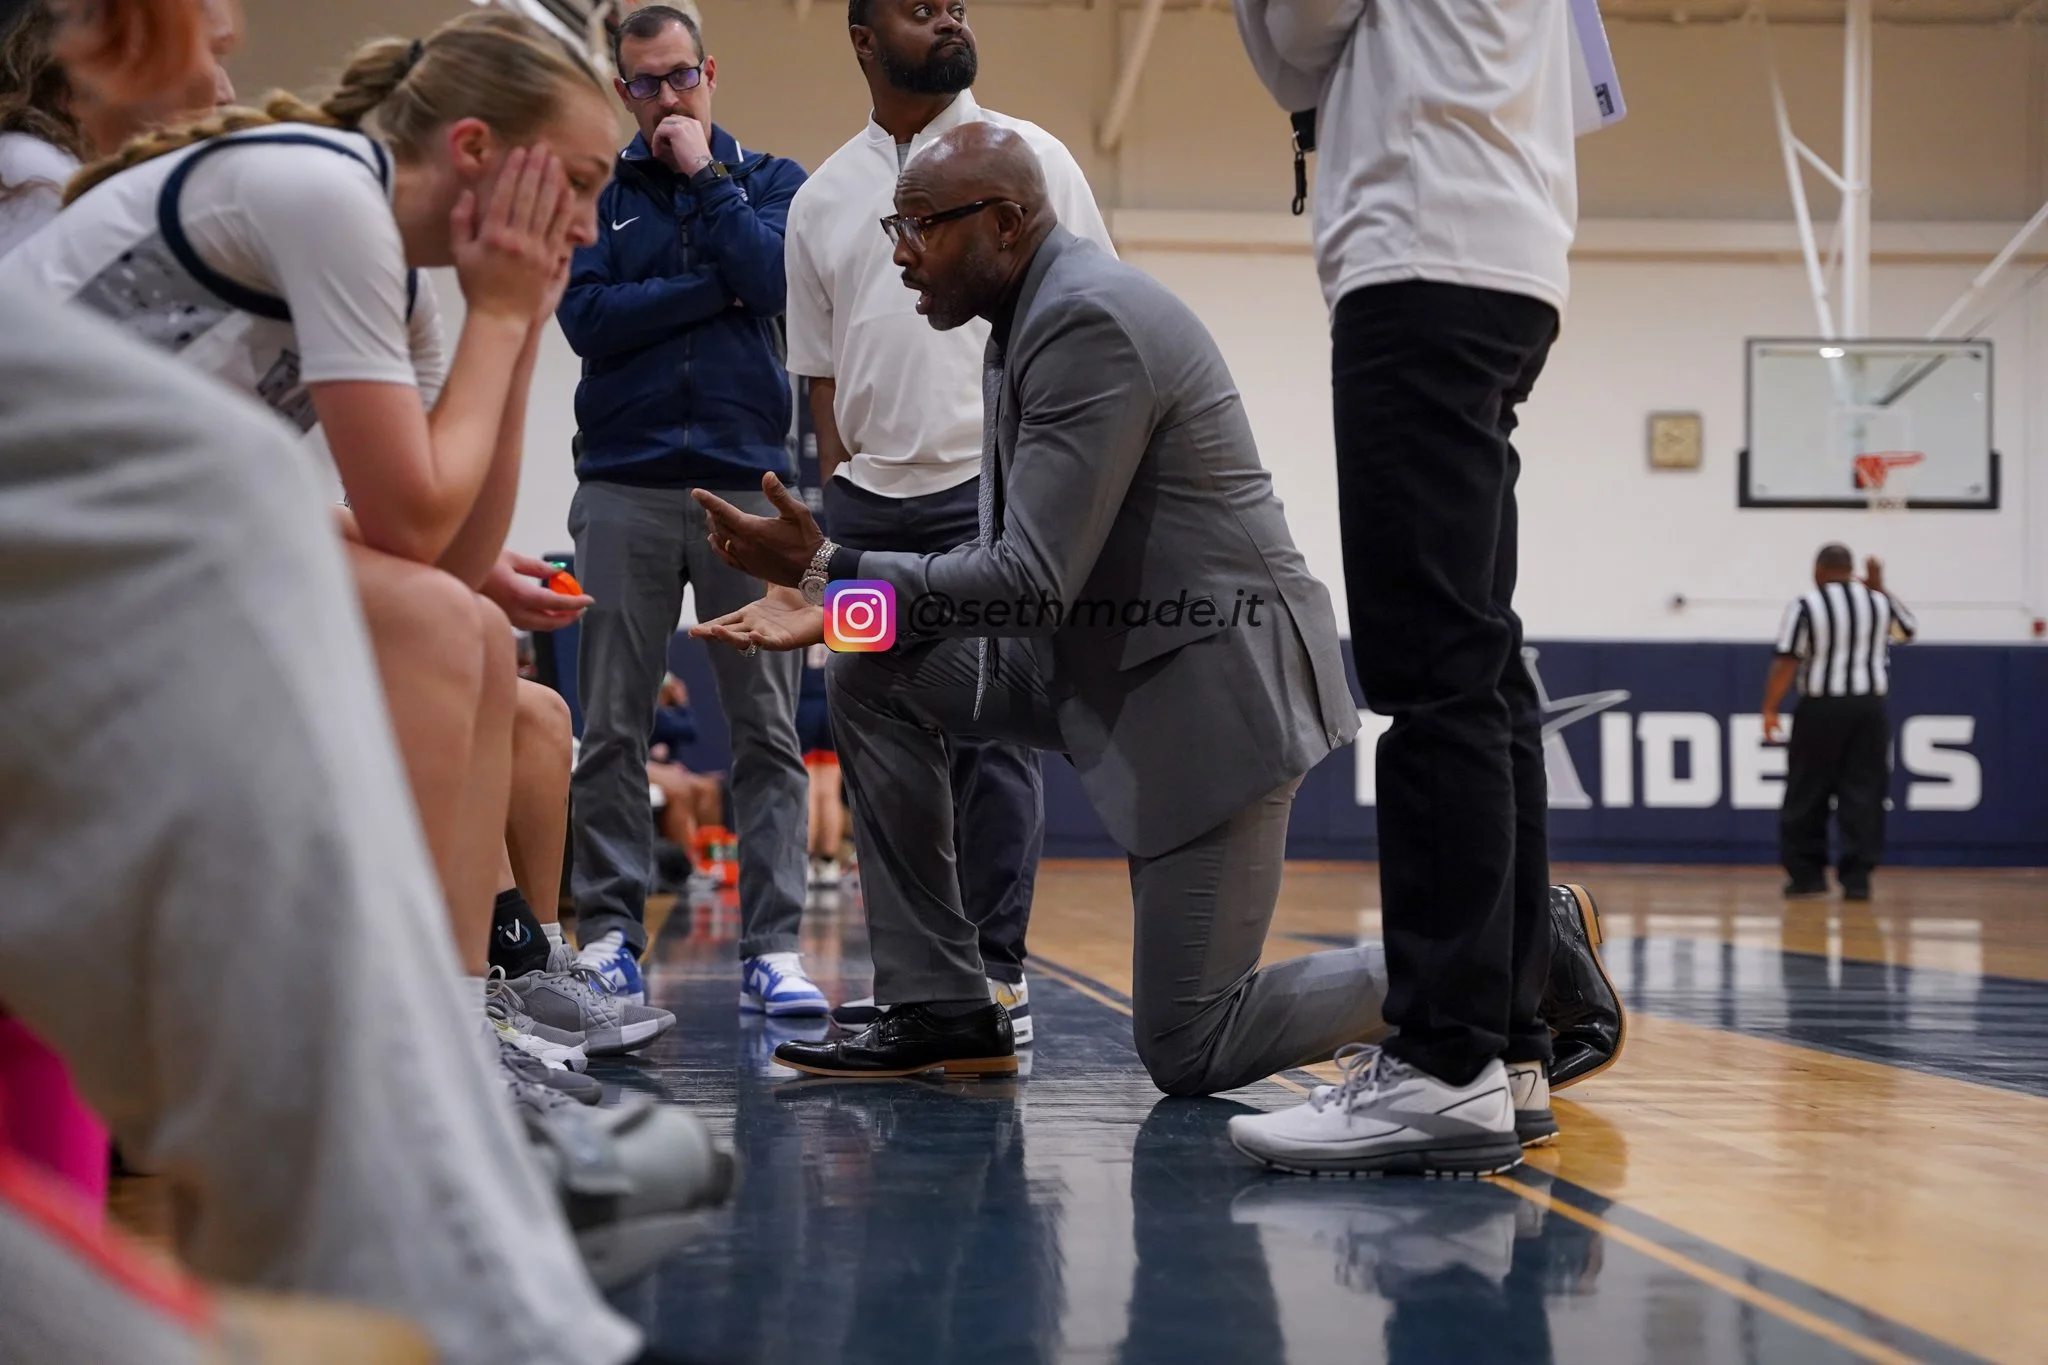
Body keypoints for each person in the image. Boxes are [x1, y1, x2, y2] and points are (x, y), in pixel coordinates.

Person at [0, 1, 721, 1359]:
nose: (587, 220)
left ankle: (455, 1052)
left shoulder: (382, 264)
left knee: (464, 632)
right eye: (571, 185)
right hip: (56, 564)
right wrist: (507, 314)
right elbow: (402, 528)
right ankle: (422, 1082)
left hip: (90, 549)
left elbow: (440, 544)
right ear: (470, 148)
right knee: (442, 638)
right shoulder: (315, 187)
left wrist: (522, 326)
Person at [691, 125, 1619, 1173]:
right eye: (891, 226)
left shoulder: (1088, 322)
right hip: (1108, 665)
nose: (898, 251)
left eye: (916, 227)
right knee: (872, 673)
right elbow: (1019, 588)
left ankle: (1514, 953)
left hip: (1209, 695)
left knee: (1189, 1045)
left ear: (1004, 223)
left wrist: (834, 574)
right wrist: (837, 595)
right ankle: (941, 1004)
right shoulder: (1023, 320)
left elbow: (1025, 583)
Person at [1231, 0, 1583, 1171]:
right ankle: (1510, 1041)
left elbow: (1295, 42)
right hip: (1507, 262)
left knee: (1431, 672)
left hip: (1419, 255)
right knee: (1477, 662)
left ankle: (1445, 1063)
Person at [787, 0, 1116, 1049]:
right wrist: (831, 513)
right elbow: (823, 383)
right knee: (867, 722)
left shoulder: (1036, 158)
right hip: (865, 505)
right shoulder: (819, 199)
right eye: (916, 3)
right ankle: (922, 993)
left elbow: (1095, 321)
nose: (945, 13)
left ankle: (998, 976)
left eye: (955, 2)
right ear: (859, 38)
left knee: (994, 742)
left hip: (993, 489)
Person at [556, 2, 822, 1016]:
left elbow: (773, 280)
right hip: (620, 483)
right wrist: (713, 288)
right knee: (611, 726)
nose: (662, 99)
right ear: (619, 88)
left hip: (747, 487)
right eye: (642, 83)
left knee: (764, 730)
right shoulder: (598, 188)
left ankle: (774, 949)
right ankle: (613, 935)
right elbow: (587, 322)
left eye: (676, 77)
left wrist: (704, 180)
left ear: (708, 72)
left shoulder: (771, 185)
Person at [1763, 545, 1917, 902]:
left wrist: (1770, 707)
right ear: (1851, 570)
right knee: (1864, 793)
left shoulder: (1805, 604)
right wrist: (1880, 588)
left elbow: (1787, 659)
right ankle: (1858, 879)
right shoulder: (1877, 601)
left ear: (1818, 569)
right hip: (1868, 709)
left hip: (1820, 708)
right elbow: (1907, 631)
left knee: (1807, 792)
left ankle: (1807, 877)